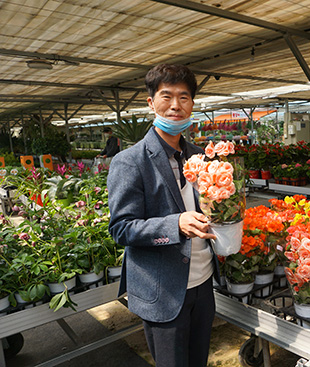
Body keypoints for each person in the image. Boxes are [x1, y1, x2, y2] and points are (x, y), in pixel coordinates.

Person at [107, 64, 218, 367]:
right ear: (151, 103)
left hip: (203, 282)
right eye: (166, 96)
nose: (175, 106)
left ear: (192, 104)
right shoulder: (129, 162)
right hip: (164, 290)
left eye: (184, 98)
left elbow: (213, 206)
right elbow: (121, 228)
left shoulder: (201, 157)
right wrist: (176, 224)